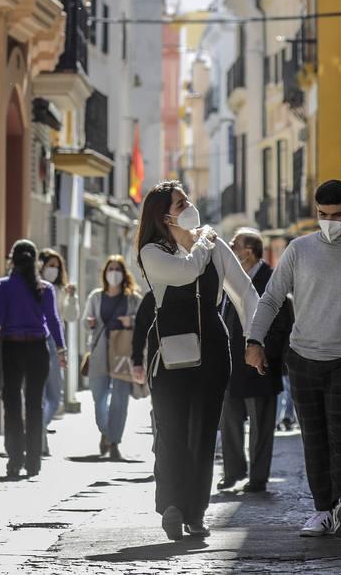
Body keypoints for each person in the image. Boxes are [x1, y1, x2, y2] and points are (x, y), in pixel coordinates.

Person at [246, 180, 341, 539]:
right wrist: (254, 340)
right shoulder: (298, 250)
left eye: (335, 215)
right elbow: (270, 298)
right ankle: (322, 510)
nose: (329, 221)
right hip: (303, 358)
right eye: (322, 215)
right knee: (314, 438)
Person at [136, 181, 259, 541]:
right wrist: (204, 241)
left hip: (213, 350)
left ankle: (196, 512)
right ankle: (172, 506)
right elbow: (186, 271)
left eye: (188, 198)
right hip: (169, 352)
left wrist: (254, 339)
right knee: (171, 431)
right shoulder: (152, 251)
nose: (190, 205)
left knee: (204, 434)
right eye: (181, 202)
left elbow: (245, 292)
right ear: (165, 215)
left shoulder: (214, 245)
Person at [218, 228, 293, 493]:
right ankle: (233, 471)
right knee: (229, 422)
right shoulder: (231, 280)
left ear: (247, 252)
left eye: (233, 245)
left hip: (260, 366)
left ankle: (258, 477)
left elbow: (283, 324)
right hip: (230, 367)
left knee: (261, 427)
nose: (229, 249)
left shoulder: (272, 281)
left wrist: (262, 353)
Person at [0, 239, 66, 478]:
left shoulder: (2, 286)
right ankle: (33, 462)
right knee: (35, 405)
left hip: (11, 350)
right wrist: (62, 350)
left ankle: (14, 460)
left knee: (11, 405)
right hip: (37, 350)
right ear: (36, 262)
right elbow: (53, 320)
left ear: (12, 259)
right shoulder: (45, 288)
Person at [82, 255, 142, 460]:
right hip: (99, 352)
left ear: (124, 273)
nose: (113, 273)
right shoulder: (95, 296)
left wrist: (130, 321)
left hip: (123, 353)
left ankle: (114, 441)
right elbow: (84, 321)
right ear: (105, 273)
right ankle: (105, 432)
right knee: (98, 398)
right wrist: (89, 322)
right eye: (110, 269)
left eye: (117, 269)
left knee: (120, 400)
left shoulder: (133, 298)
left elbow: (145, 322)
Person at [38, 248, 78, 451]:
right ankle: (39, 438)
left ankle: (37, 429)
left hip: (56, 343)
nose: (53, 269)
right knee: (40, 394)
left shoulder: (62, 289)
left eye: (56, 266)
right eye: (49, 265)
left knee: (55, 396)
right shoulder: (35, 287)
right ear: (40, 266)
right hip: (38, 341)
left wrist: (72, 298)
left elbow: (70, 317)